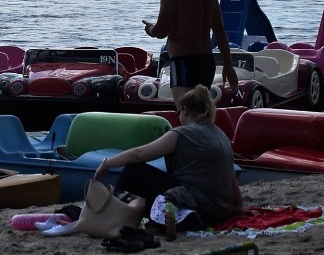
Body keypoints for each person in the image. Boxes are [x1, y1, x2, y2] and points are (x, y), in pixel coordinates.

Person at [93, 85, 243, 228]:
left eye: (178, 111)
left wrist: (107, 163)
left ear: (184, 110)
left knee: (134, 171)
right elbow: (231, 177)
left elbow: (138, 154)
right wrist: (239, 207)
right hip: (221, 212)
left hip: (198, 207)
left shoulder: (183, 134)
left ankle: (109, 216)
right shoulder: (220, 135)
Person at [141, 0, 238, 107]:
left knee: (186, 115)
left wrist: (149, 29)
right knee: (201, 113)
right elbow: (220, 32)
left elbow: (161, 31)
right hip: (207, 62)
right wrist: (229, 66)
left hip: (184, 62)